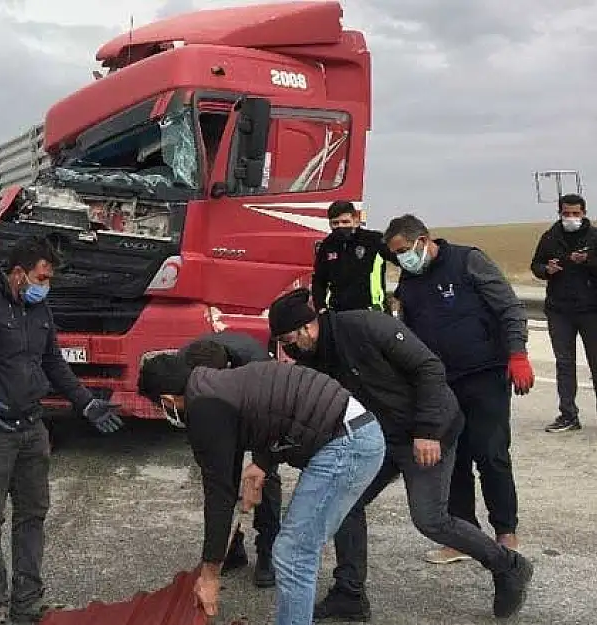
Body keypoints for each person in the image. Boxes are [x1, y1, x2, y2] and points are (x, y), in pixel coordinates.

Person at [268, 287, 534, 621]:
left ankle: (508, 566)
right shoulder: (311, 356)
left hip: (427, 429)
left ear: (307, 327)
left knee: (431, 519)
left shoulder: (366, 326)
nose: (288, 348)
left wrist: (428, 431)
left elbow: (429, 368)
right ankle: (349, 593)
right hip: (378, 437)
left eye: (289, 339)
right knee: (346, 502)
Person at [137, 353, 385, 625]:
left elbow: (218, 494)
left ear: (168, 400)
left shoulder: (204, 409)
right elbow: (272, 412)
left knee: (294, 553)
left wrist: (209, 576)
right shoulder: (213, 384)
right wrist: (262, 464)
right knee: (295, 549)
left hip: (348, 445)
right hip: (354, 429)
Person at [0, 237, 124, 625]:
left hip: (32, 426)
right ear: (18, 273)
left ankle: (26, 602)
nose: (44, 285)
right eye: (40, 277)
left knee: (32, 516)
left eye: (48, 279)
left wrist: (86, 402)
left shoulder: (39, 306)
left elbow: (53, 362)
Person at [385, 214, 532, 563]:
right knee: (455, 458)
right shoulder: (409, 281)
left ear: (424, 240)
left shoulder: (468, 261)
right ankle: (464, 536)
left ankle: (506, 532)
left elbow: (509, 307)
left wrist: (517, 352)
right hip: (442, 383)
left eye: (405, 251)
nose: (402, 259)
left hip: (484, 374)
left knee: (491, 452)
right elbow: (409, 332)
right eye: (396, 255)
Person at [178, 332, 280, 588]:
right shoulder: (185, 364)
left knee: (264, 477)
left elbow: (271, 441)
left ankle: (268, 551)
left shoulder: (258, 369)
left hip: (261, 412)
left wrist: (263, 464)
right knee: (220, 479)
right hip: (223, 412)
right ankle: (231, 549)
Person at [530, 193, 597, 433]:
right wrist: (546, 269)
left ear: (584, 213)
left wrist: (588, 260)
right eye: (566, 213)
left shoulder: (594, 236)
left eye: (575, 214)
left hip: (591, 310)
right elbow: (535, 265)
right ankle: (568, 415)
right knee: (565, 364)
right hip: (560, 311)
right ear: (559, 213)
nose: (571, 218)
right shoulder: (550, 237)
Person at [310, 200, 395, 313]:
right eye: (335, 223)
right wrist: (320, 307)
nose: (340, 226)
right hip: (338, 314)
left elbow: (400, 260)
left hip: (373, 312)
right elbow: (319, 281)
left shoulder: (374, 240)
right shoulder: (327, 245)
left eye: (345, 222)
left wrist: (400, 294)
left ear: (356, 221)